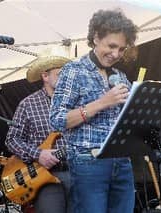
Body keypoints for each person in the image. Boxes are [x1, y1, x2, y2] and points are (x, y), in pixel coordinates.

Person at [49, 9, 138, 213]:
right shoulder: (74, 70)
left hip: (122, 161)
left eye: (122, 49)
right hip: (88, 162)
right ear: (96, 38)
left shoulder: (120, 76)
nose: (116, 54)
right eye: (112, 46)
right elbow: (57, 119)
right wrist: (101, 103)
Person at [5, 56, 72, 213]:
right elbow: (11, 139)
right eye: (60, 74)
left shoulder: (77, 102)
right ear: (45, 76)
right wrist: (39, 154)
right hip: (44, 178)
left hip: (78, 172)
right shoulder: (28, 104)